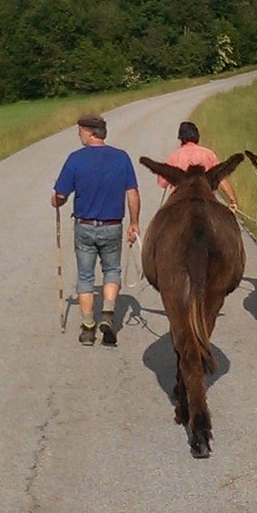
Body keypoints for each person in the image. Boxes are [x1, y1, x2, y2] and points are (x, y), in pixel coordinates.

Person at [52, 113, 140, 345]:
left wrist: (56, 201)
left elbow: (60, 195)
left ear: (90, 133)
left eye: (80, 131)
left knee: (85, 276)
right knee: (112, 270)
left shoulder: (75, 159)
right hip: (112, 225)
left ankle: (88, 328)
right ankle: (108, 314)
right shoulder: (121, 158)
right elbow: (132, 193)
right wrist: (134, 223)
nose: (79, 135)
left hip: (85, 226)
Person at [156, 120, 239, 211]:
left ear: (181, 138)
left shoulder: (173, 156)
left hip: (180, 203)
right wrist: (233, 200)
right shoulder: (208, 154)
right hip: (206, 202)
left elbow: (162, 183)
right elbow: (221, 179)